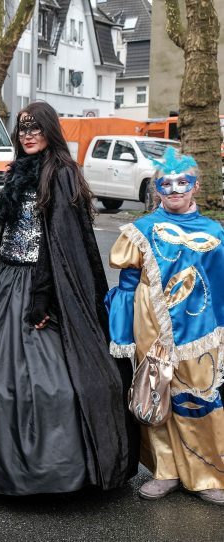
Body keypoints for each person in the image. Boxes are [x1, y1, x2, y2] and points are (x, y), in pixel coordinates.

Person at [0, 102, 138, 495]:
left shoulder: (60, 173)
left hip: (44, 285)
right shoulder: (18, 171)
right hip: (5, 279)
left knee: (51, 383)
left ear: (50, 131)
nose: (27, 134)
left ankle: (54, 469)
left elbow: (61, 243)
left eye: (35, 128)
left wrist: (43, 297)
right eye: (22, 128)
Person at [106, 148, 224, 504]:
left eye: (182, 182)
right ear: (156, 189)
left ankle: (208, 474)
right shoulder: (140, 231)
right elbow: (127, 284)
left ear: (196, 186)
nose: (174, 189)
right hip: (151, 325)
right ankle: (165, 471)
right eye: (165, 183)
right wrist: (124, 331)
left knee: (200, 397)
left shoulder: (214, 232)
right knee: (155, 392)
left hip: (200, 329)